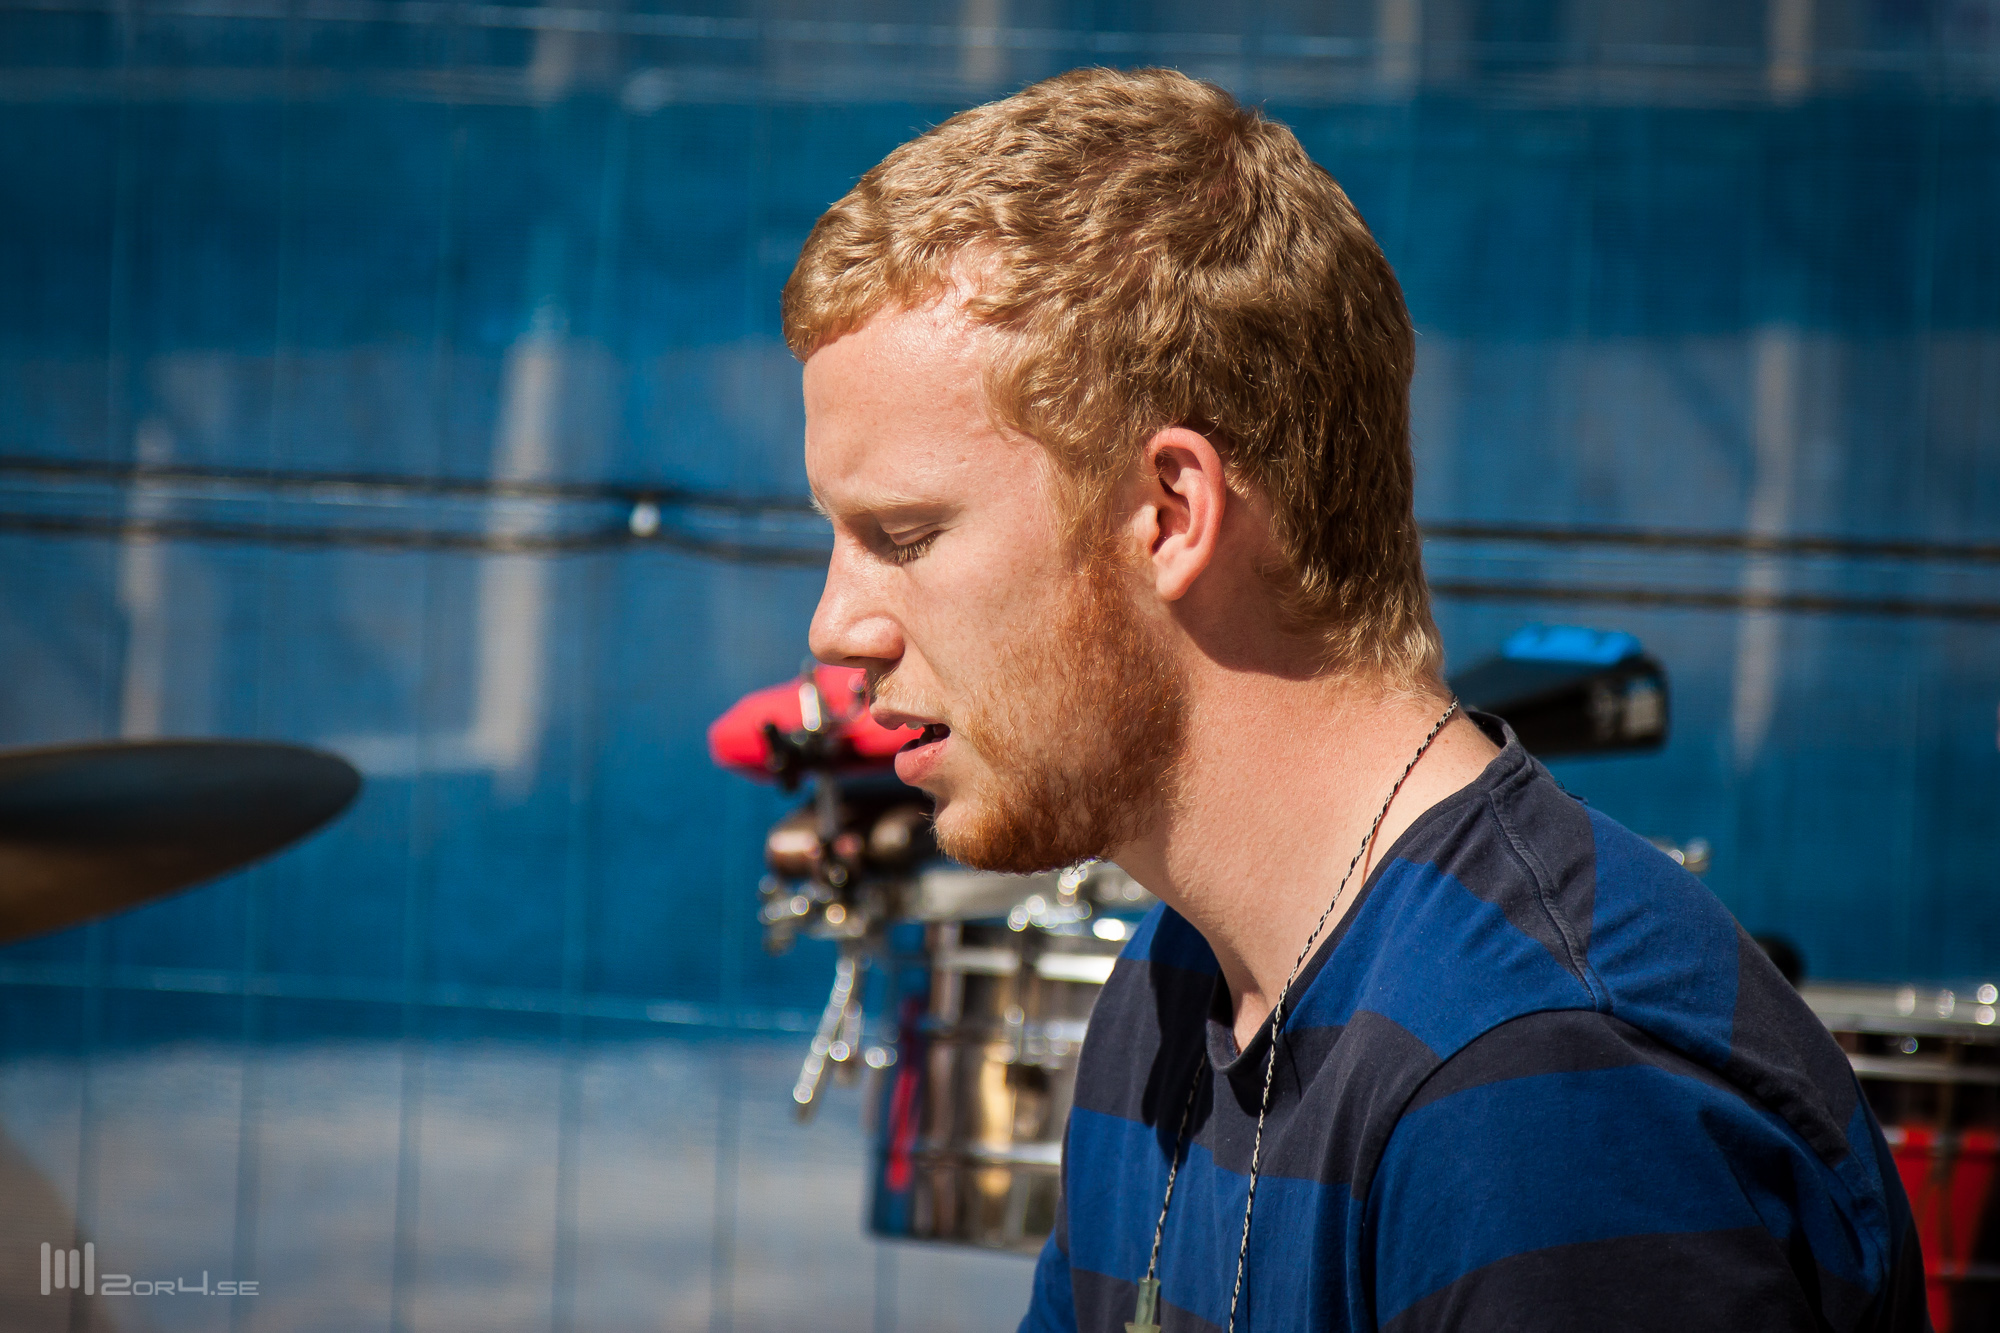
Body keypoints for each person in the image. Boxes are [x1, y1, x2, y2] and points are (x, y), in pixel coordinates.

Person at [785, 66, 1928, 1333]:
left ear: (1167, 512)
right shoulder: (1175, 989)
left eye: (904, 535)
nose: (836, 627)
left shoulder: (1542, 1086)